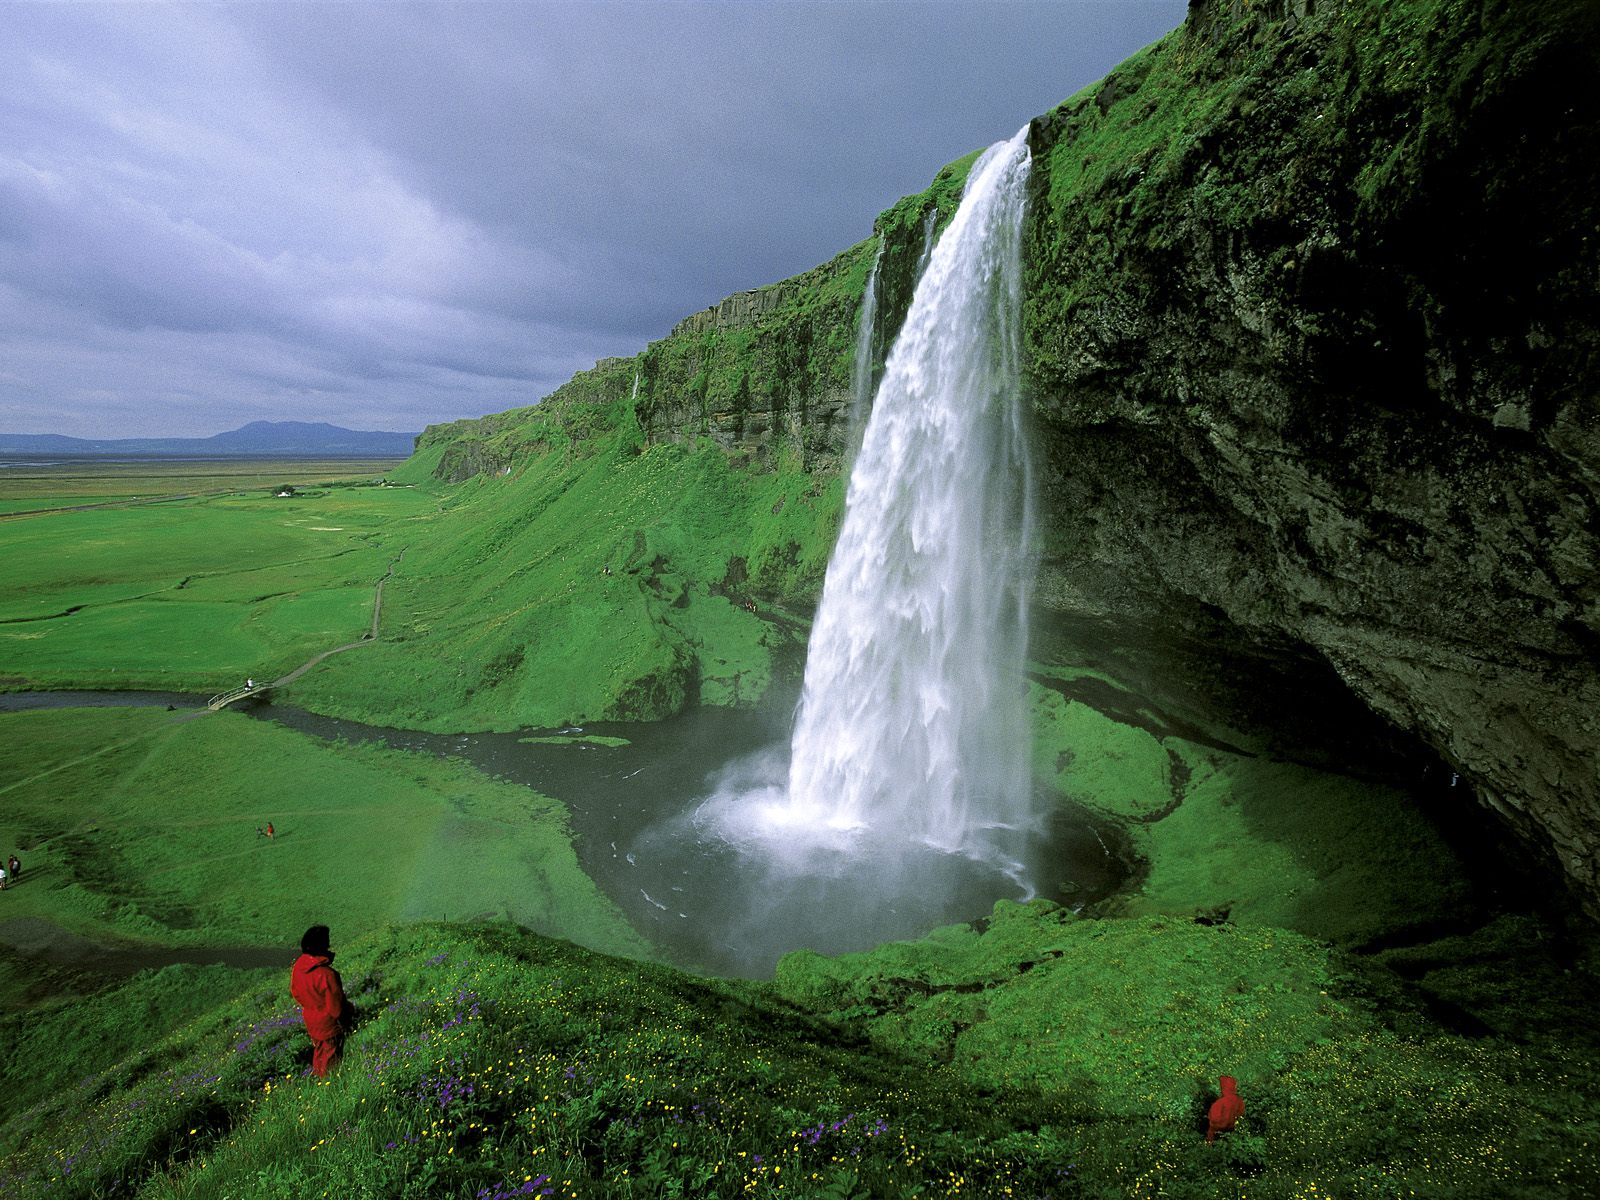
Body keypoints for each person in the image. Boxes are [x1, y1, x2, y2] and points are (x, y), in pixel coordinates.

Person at [290, 924, 349, 1077]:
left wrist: (312, 1005)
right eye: (326, 942)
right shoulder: (326, 974)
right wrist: (350, 1014)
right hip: (329, 1024)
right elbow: (336, 1009)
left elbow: (296, 993)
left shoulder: (299, 967)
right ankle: (329, 1089)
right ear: (321, 945)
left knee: (320, 1052)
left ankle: (319, 1082)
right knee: (332, 1061)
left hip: (311, 1019)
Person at [1207, 1075, 1244, 1142]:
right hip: (1234, 1129)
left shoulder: (1220, 1102)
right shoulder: (1239, 1100)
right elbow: (1241, 1113)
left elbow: (1214, 1118)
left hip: (1219, 1130)